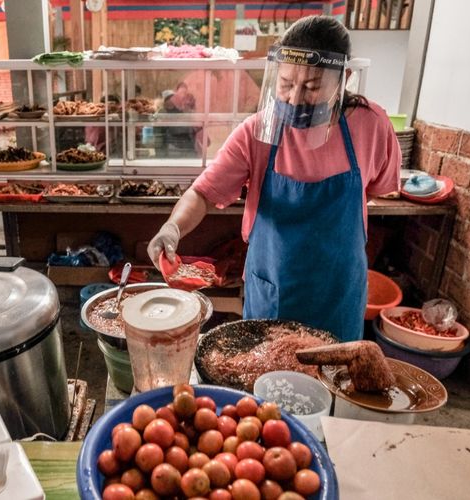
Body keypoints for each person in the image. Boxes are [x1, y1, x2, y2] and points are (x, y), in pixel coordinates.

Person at [147, 16, 401, 342]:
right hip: (274, 290)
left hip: (338, 293)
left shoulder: (372, 125)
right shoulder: (258, 132)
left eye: (311, 87)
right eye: (285, 83)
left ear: (343, 79)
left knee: (332, 381)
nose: (295, 98)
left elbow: (376, 189)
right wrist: (172, 227)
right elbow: (204, 193)